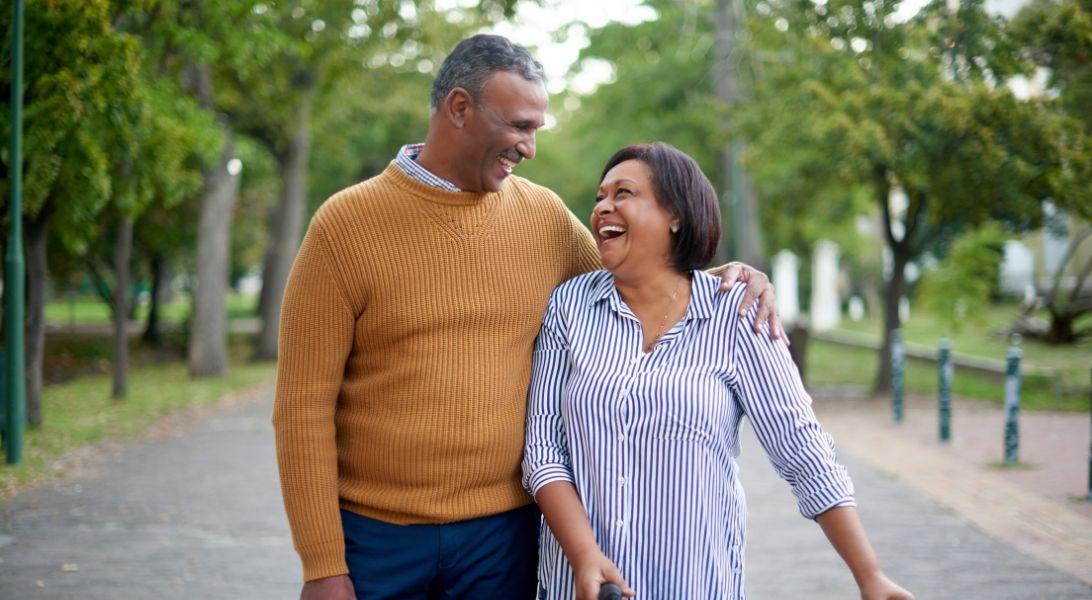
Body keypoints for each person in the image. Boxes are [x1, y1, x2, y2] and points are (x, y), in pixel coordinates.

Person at [273, 35, 782, 600]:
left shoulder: (543, 218)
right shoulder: (344, 226)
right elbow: (302, 407)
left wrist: (722, 279)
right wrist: (322, 564)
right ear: (460, 108)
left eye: (537, 128)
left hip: (503, 537)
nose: (530, 147)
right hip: (376, 538)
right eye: (519, 125)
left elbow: (638, 282)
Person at [522, 142, 914, 600]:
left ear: (677, 215)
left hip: (694, 581)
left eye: (623, 193)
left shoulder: (738, 312)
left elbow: (800, 447)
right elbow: (543, 448)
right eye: (600, 196)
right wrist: (584, 554)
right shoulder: (570, 305)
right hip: (580, 584)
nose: (604, 206)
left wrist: (869, 575)